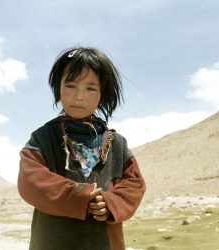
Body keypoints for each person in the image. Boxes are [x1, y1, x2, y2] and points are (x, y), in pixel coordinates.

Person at [18, 47, 146, 250]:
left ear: (103, 93)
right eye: (71, 85)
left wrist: (111, 203)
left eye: (90, 88)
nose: (79, 96)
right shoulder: (43, 138)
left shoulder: (117, 143)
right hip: (53, 242)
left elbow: (134, 184)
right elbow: (31, 181)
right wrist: (79, 196)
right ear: (58, 88)